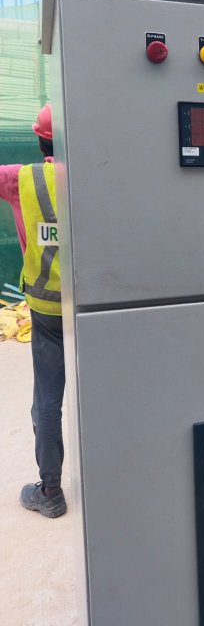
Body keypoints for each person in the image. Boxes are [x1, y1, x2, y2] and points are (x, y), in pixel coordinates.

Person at [0, 103, 66, 518]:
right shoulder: (100, 175)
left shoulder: (19, 179)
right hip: (97, 307)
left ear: (40, 140)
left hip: (46, 310)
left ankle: (51, 491)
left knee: (47, 399)